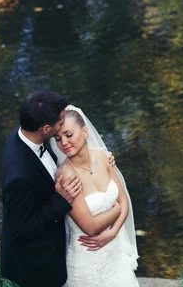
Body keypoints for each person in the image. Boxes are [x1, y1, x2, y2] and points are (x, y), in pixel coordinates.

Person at [0, 91, 119, 287]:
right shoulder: (19, 176)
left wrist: (99, 160)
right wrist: (60, 200)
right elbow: (21, 229)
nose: (63, 123)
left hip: (60, 248)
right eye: (61, 121)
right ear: (46, 129)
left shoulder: (24, 133)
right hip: (36, 264)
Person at [51, 105, 139, 287]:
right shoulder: (66, 175)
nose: (64, 143)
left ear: (85, 132)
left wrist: (113, 232)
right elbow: (90, 226)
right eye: (58, 139)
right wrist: (116, 209)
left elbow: (125, 201)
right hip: (88, 262)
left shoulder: (103, 157)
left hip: (116, 254)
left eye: (69, 135)